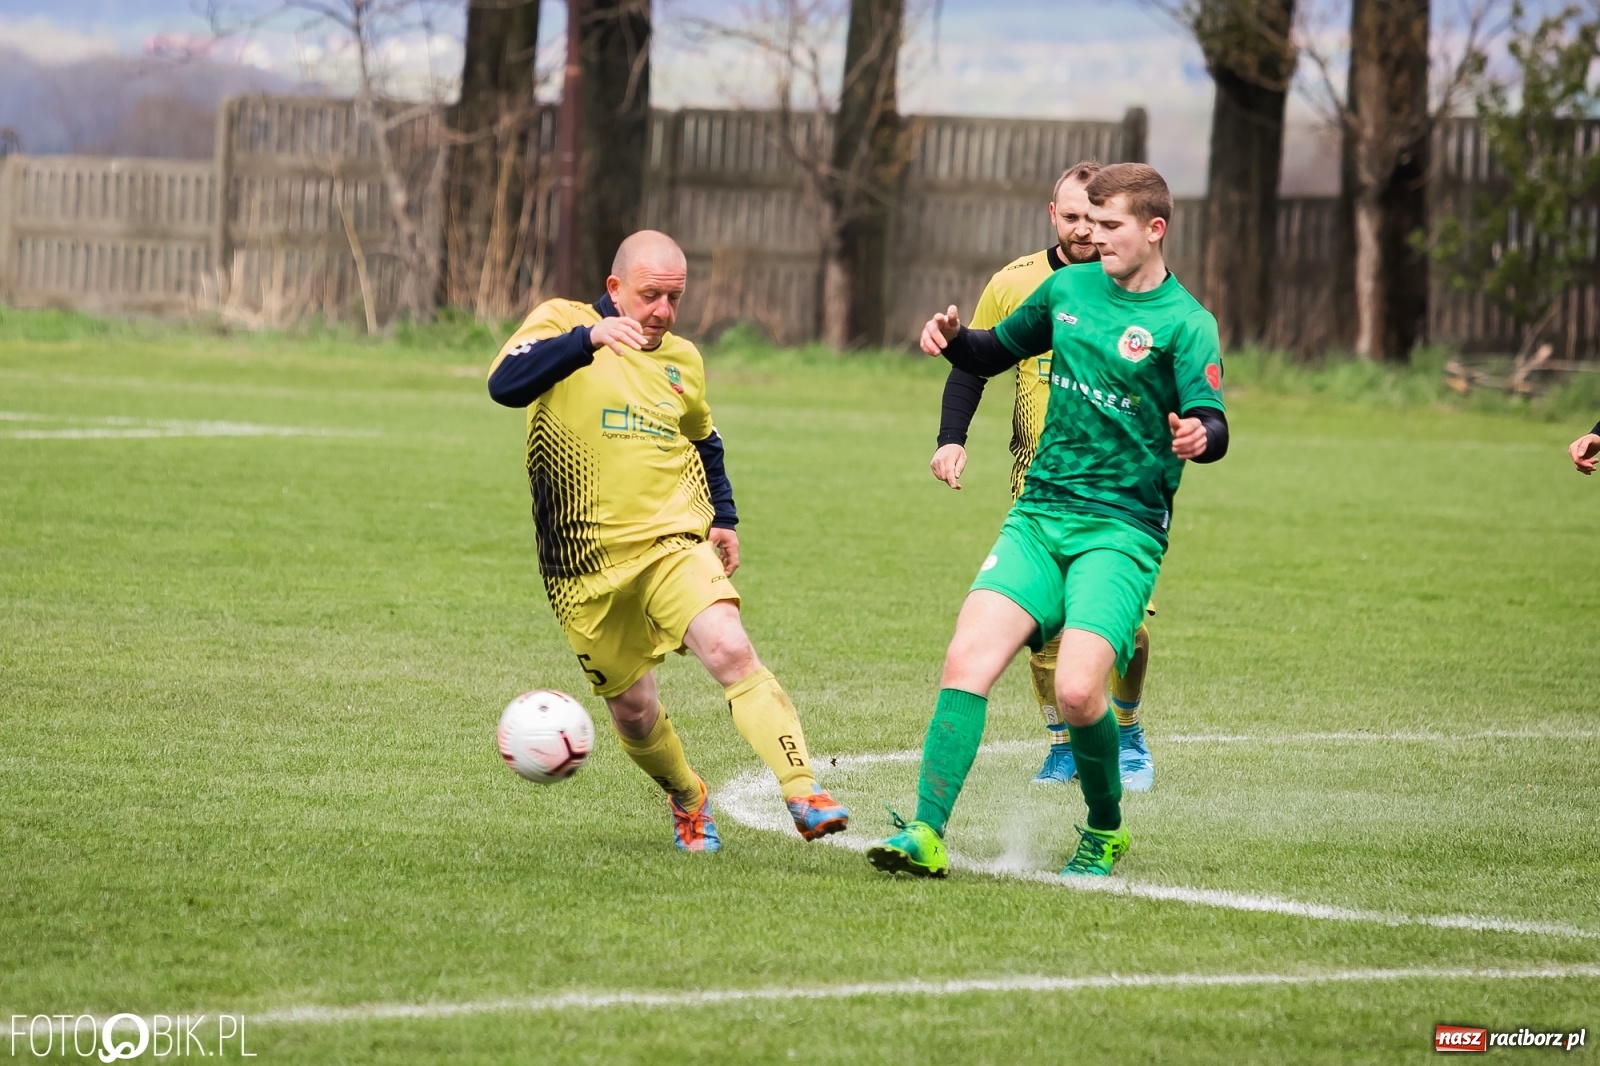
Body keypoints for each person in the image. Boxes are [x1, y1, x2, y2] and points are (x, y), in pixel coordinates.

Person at [868, 164, 1228, 879]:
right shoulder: (1064, 290)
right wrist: (952, 338)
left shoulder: (1187, 324)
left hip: (1121, 530)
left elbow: (1212, 421)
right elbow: (991, 351)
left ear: (1155, 230)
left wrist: (1200, 437)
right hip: (1039, 514)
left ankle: (1103, 828)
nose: (1093, 238)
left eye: (1110, 226)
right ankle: (925, 832)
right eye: (1087, 224)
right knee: (966, 662)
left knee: (1075, 690)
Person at [487, 230, 849, 852]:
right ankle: (689, 798)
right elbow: (505, 384)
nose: (662, 311)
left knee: (732, 652)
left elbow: (705, 439)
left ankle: (803, 789)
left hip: (670, 544)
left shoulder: (683, 359)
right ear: (614, 288)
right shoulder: (562, 321)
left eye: (674, 298)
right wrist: (587, 340)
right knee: (633, 711)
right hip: (581, 566)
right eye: (650, 296)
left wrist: (724, 518)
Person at [928, 160, 1157, 792]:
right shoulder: (1019, 282)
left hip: (1116, 494)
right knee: (1042, 628)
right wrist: (952, 440)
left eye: (1096, 216)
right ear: (1052, 215)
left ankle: (1129, 728)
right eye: (1073, 215)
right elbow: (977, 360)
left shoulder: (1135, 287)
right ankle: (1061, 744)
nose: (1084, 228)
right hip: (1038, 481)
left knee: (1123, 631)